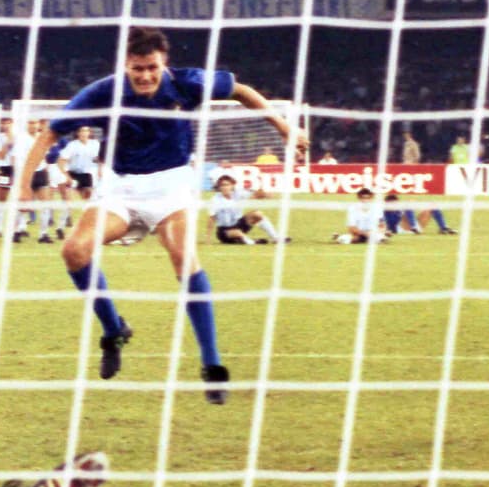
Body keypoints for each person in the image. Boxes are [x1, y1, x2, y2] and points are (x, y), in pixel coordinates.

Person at [15, 25, 309, 400]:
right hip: (120, 188)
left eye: (152, 67)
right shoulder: (104, 92)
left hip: (171, 187)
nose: (145, 76)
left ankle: (212, 365)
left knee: (183, 257)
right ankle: (114, 330)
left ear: (163, 64)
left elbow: (241, 91)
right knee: (74, 251)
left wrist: (283, 126)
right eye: (137, 68)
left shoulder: (187, 83)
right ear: (126, 65)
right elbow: (49, 134)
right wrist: (24, 185)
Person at [208, 175, 285, 245]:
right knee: (236, 232)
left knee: (257, 214)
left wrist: (265, 194)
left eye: (227, 185)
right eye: (222, 185)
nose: (225, 187)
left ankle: (275, 238)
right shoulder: (215, 200)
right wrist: (208, 238)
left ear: (232, 186)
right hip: (224, 231)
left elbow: (255, 195)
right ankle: (252, 242)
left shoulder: (238, 193)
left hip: (238, 224)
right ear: (219, 187)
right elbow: (211, 218)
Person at [60, 125, 102, 203]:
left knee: (88, 198)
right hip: (73, 173)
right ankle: (66, 209)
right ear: (78, 133)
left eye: (86, 131)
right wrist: (66, 176)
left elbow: (100, 159)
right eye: (81, 131)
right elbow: (61, 161)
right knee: (69, 198)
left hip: (87, 174)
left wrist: (100, 170)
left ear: (89, 133)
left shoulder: (95, 144)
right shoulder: (72, 145)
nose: (84, 133)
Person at [383, 192, 457, 236]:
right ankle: (414, 227)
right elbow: (386, 226)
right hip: (401, 230)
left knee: (432, 205)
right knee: (408, 205)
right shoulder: (385, 212)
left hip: (415, 228)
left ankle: (443, 228)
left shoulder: (399, 209)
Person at [0, 118, 14, 238]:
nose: (6, 125)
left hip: (18, 168)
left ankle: (21, 228)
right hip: (5, 168)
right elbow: (0, 156)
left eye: (8, 123)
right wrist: (7, 143)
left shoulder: (20, 136)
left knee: (20, 197)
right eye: (4, 123)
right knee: (2, 198)